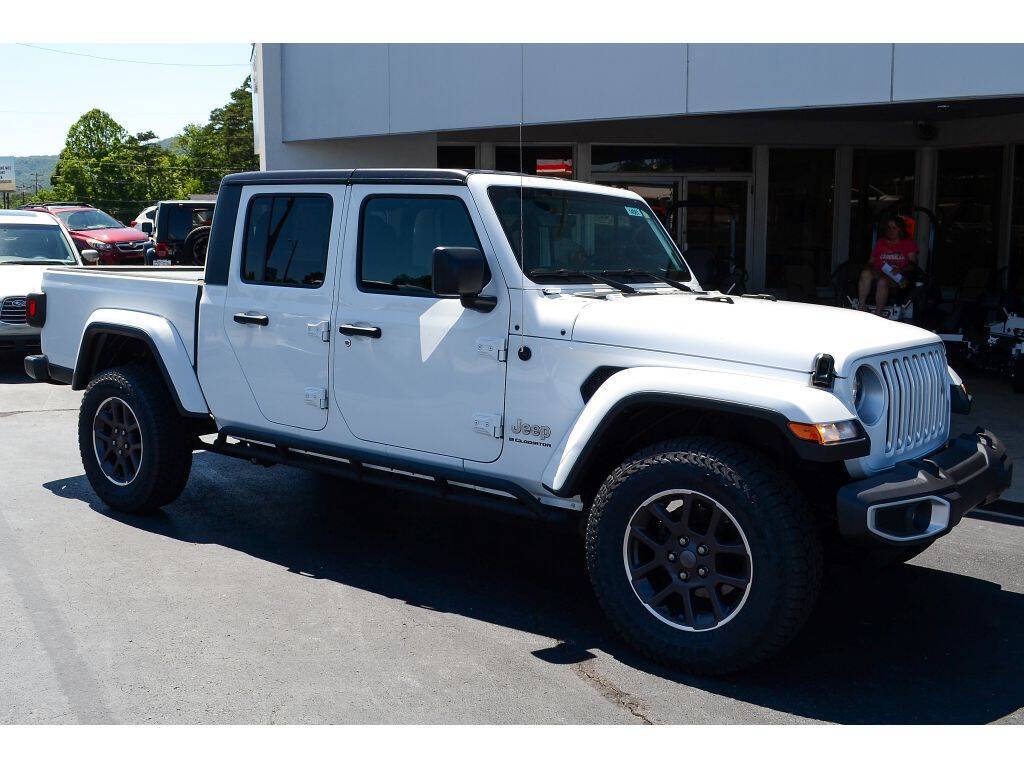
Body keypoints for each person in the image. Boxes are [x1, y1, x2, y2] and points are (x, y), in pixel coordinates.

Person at [858, 214, 918, 315]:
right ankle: (861, 307)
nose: (891, 231)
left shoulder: (908, 243)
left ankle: (878, 313)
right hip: (878, 272)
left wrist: (901, 270)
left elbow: (913, 264)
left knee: (883, 280)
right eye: (889, 227)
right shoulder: (881, 242)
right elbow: (871, 261)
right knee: (865, 273)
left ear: (900, 229)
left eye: (894, 228)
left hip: (894, 276)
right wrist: (873, 269)